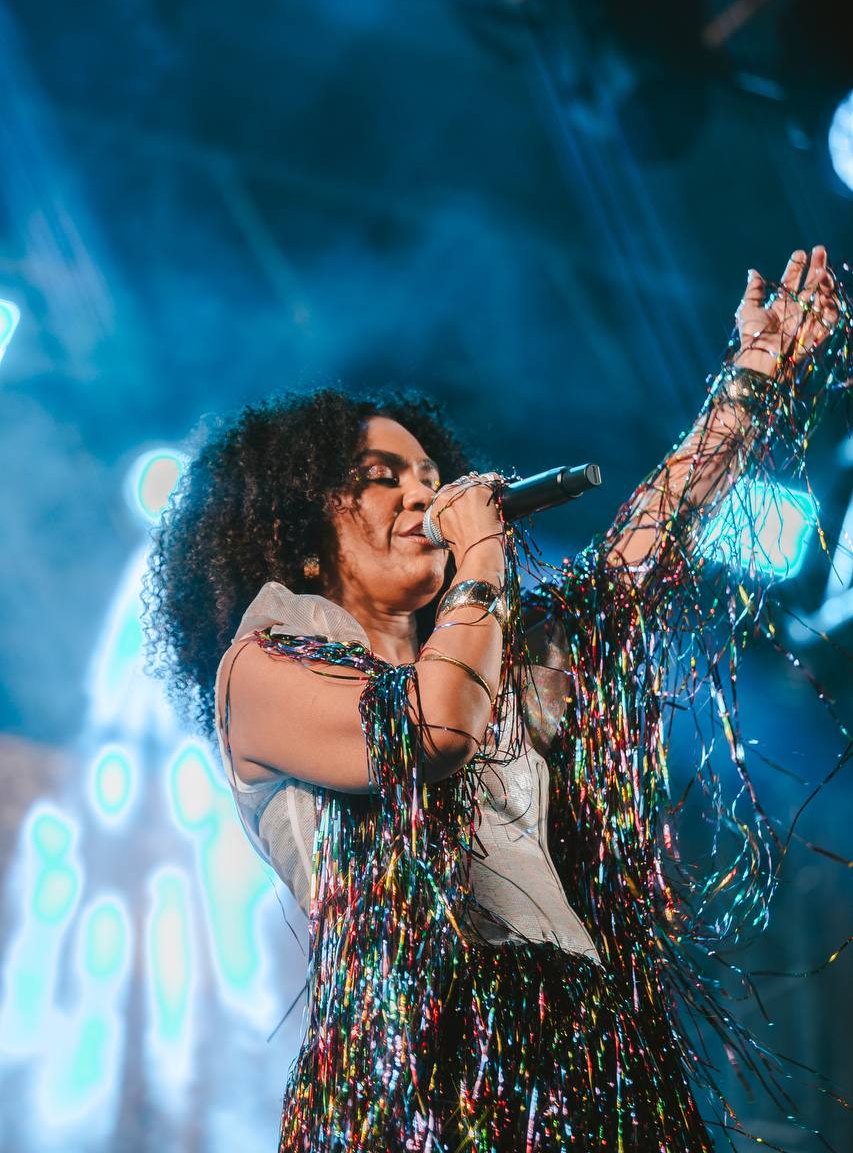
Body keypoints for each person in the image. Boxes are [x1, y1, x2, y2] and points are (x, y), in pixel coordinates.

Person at [145, 247, 845, 1151]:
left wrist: (749, 379)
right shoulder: (260, 669)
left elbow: (637, 554)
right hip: (430, 1067)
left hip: (590, 1046)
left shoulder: (487, 653)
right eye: (382, 477)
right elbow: (428, 729)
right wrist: (482, 556)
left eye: (428, 475)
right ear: (300, 529)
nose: (422, 492)